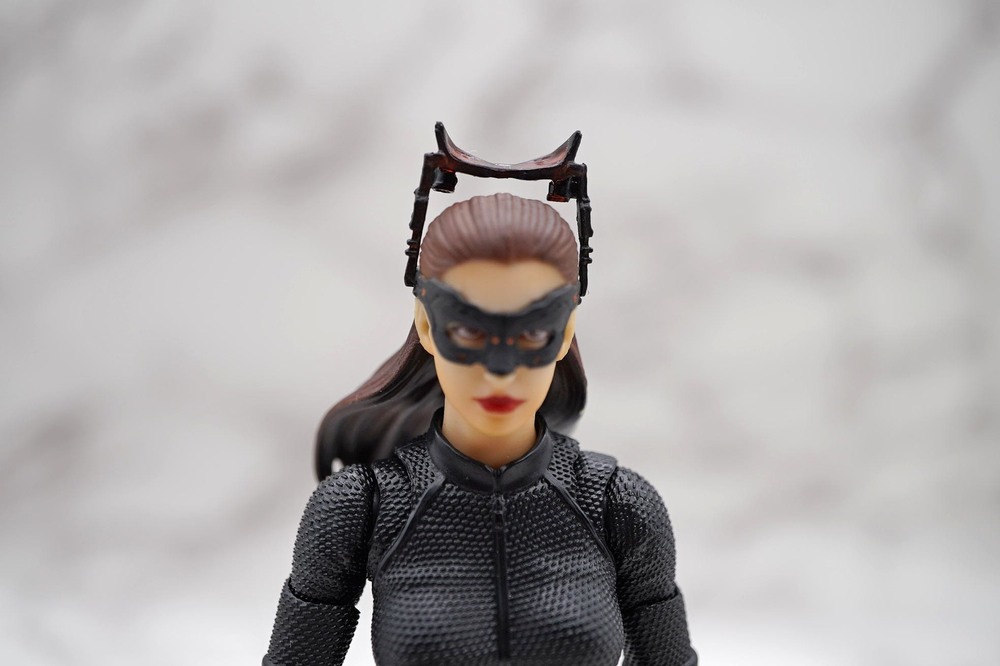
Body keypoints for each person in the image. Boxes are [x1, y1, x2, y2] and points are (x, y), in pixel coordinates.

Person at [263, 130, 696, 666]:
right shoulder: (363, 506)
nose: (499, 372)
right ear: (427, 324)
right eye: (469, 330)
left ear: (564, 332)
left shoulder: (616, 504)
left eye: (531, 333)